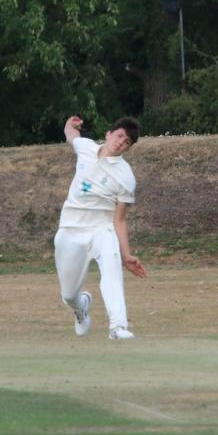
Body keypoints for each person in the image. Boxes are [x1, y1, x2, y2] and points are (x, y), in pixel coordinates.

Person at [55, 115, 147, 340]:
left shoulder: (125, 177)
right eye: (119, 136)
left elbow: (120, 220)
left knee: (111, 269)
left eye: (126, 142)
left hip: (101, 228)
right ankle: (80, 307)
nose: (120, 142)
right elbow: (72, 136)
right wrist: (70, 124)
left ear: (128, 148)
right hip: (70, 227)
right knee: (68, 294)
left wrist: (126, 256)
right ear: (109, 134)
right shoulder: (86, 147)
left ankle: (118, 327)